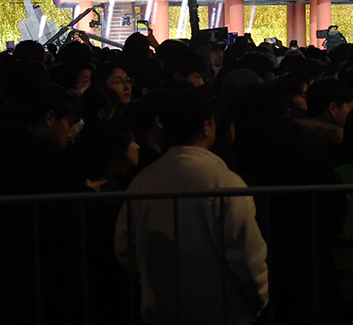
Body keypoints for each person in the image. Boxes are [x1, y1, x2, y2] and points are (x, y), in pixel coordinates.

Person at [115, 91, 268, 324]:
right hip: (223, 309)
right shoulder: (225, 181)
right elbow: (247, 254)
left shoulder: (144, 181)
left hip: (161, 307)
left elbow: (126, 247)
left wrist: (152, 280)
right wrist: (258, 298)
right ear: (207, 126)